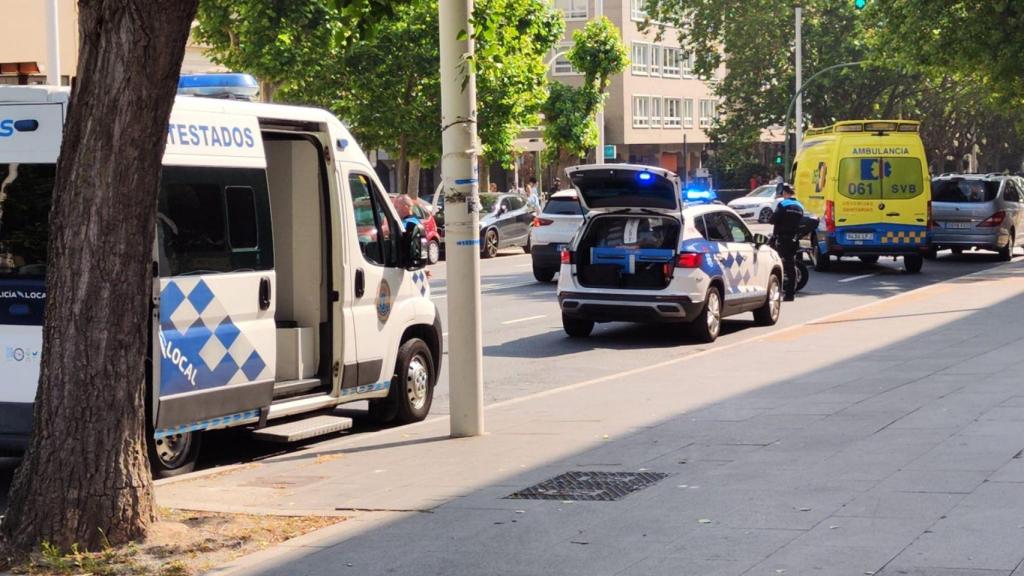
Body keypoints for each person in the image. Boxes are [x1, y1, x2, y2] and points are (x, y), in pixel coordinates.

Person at [771, 182, 804, 301]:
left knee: (777, 264)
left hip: (782, 239)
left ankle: (775, 290)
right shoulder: (800, 206)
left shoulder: (783, 204)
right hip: (794, 239)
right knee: (791, 265)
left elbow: (773, 220)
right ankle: (790, 294)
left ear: (785, 193)